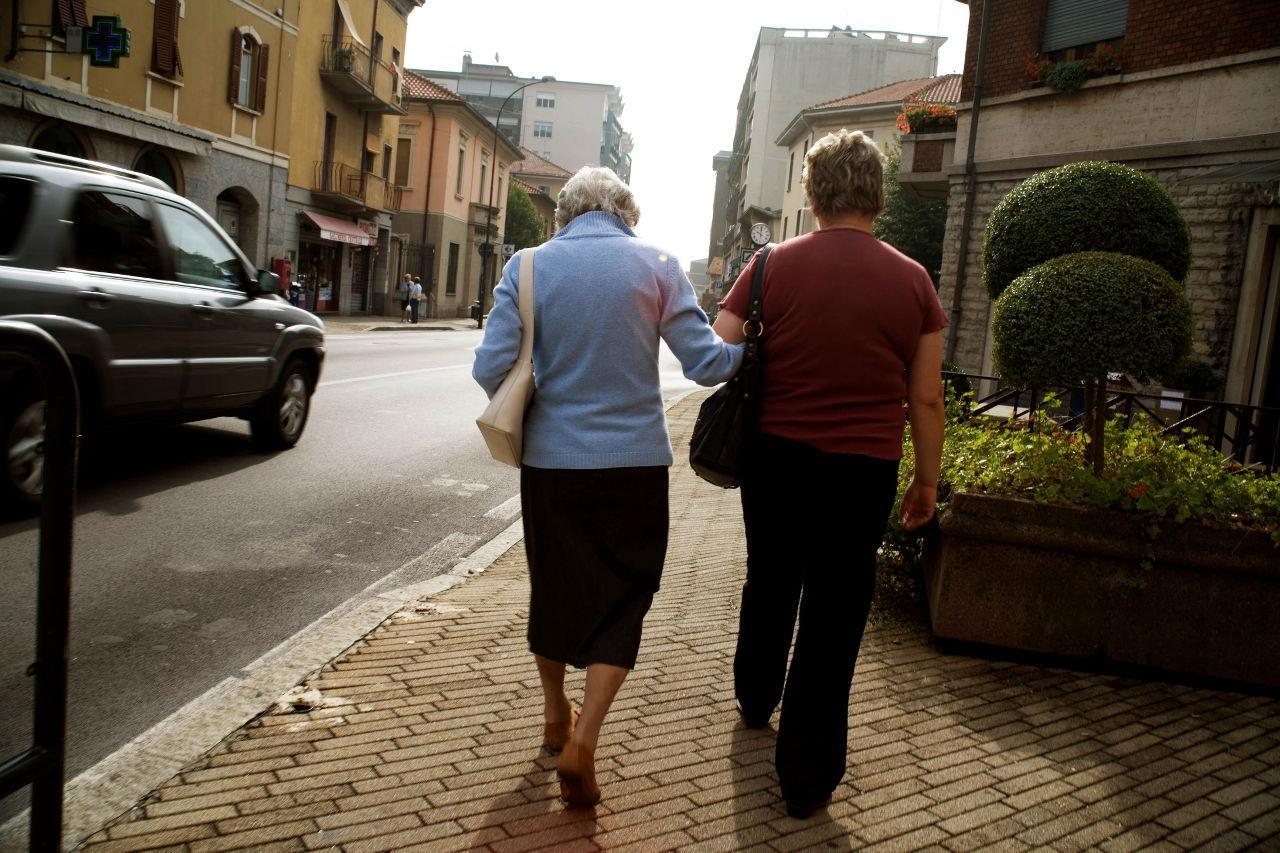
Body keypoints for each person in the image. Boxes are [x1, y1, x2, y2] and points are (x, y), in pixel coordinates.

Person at [473, 166, 742, 808]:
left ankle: (553, 715)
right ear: (626, 209)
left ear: (563, 212)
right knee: (626, 595)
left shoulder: (528, 266)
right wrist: (749, 352)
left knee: (556, 586)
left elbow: (489, 366)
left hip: (550, 465)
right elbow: (706, 363)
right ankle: (586, 740)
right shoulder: (656, 263)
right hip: (634, 466)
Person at [713, 129, 947, 819]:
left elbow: (719, 349)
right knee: (836, 609)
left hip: (777, 457)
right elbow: (926, 397)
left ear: (814, 193)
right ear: (878, 192)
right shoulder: (914, 280)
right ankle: (807, 776)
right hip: (864, 467)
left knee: (772, 576)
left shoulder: (767, 266)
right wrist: (926, 482)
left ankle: (756, 695)